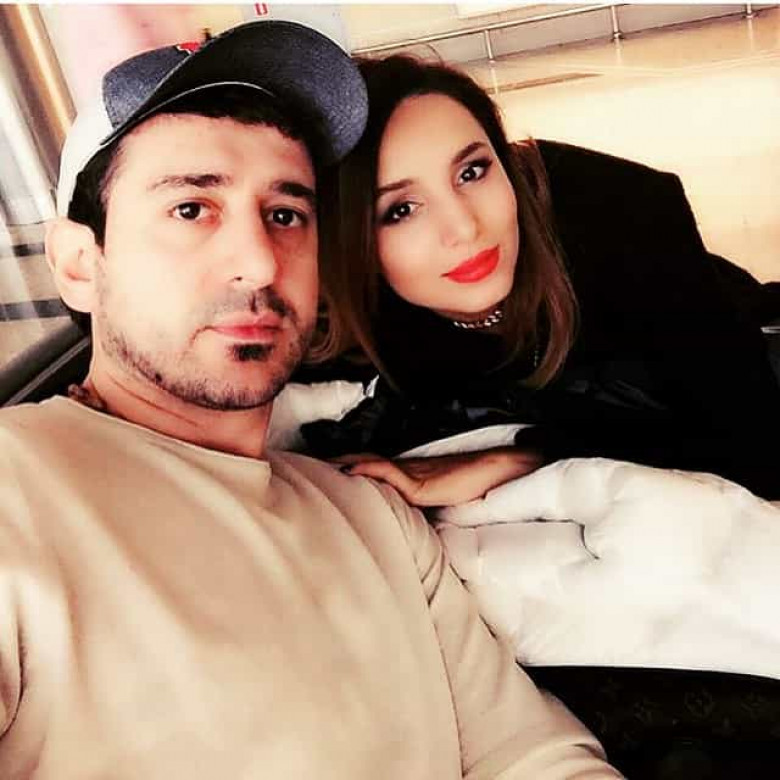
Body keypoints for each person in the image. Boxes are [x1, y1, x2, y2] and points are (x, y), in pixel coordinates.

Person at [0, 21, 622, 779]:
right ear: (77, 264)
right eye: (192, 209)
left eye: (286, 213)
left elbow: (528, 755)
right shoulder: (18, 488)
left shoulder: (371, 518)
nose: (260, 261)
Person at [302, 54, 780, 504]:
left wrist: (525, 458)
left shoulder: (619, 212)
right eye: (402, 209)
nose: (465, 227)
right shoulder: (344, 322)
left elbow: (757, 449)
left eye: (472, 171)